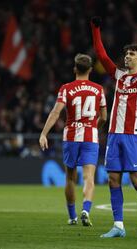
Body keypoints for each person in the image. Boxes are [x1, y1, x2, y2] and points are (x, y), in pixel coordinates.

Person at [91, 17, 137, 238]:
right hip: (114, 135)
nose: (127, 56)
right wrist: (96, 29)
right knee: (113, 179)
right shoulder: (118, 76)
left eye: (132, 54)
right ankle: (118, 226)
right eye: (126, 54)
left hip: (134, 135)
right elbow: (101, 55)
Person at [39, 53, 107, 227]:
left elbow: (56, 112)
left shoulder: (66, 88)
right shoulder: (99, 89)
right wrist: (93, 128)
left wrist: (44, 133)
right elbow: (104, 118)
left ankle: (72, 216)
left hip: (71, 137)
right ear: (91, 70)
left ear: (75, 69)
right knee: (89, 177)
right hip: (90, 138)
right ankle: (86, 209)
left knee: (70, 178)